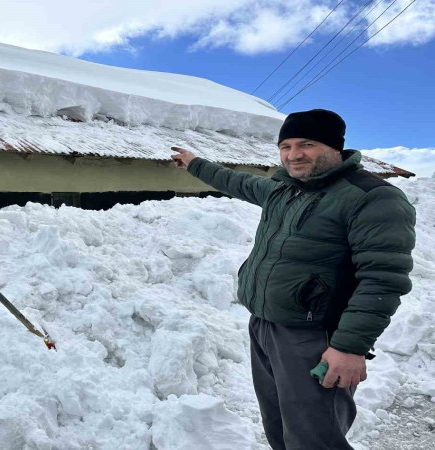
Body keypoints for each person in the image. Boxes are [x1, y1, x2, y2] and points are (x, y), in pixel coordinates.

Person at [171, 109, 416, 450]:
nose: (293, 154)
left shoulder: (372, 197)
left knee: (314, 437)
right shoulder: (284, 190)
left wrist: (349, 346)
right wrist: (195, 163)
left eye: (307, 144)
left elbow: (383, 277)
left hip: (317, 337)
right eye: (284, 146)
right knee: (279, 426)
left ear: (335, 147)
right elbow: (235, 181)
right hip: (265, 326)